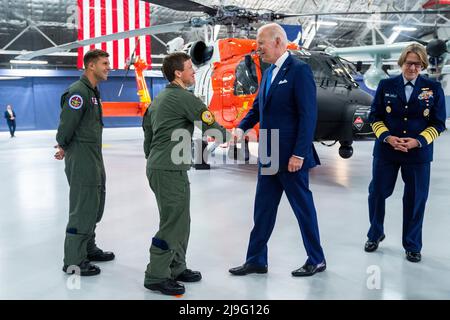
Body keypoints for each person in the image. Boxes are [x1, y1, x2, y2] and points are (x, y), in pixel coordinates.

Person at [229, 23, 326, 277]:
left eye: (261, 43)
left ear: (278, 42)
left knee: (303, 209)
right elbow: (257, 107)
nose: (257, 47)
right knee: (263, 209)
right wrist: (241, 127)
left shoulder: (299, 71)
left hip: (291, 156)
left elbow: (308, 116)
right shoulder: (270, 72)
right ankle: (256, 260)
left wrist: (299, 154)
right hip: (269, 151)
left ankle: (316, 259)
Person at [142, 52, 230, 295]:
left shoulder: (159, 99)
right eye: (190, 68)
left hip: (163, 166)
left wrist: (157, 157)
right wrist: (234, 136)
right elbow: (213, 127)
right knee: (173, 223)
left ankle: (177, 267)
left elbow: (147, 134)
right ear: (178, 73)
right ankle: (156, 275)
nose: (194, 72)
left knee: (181, 221)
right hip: (169, 168)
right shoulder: (183, 98)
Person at [364, 43, 446, 263]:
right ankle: (375, 233)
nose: (413, 68)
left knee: (416, 199)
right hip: (386, 151)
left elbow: (438, 124)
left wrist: (417, 142)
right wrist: (388, 137)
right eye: (410, 63)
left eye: (418, 65)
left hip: (418, 154)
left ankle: (412, 244)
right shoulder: (386, 85)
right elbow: (375, 117)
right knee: (377, 193)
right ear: (402, 63)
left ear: (423, 66)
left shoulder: (433, 88)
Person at [54, 49, 115, 276]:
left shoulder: (93, 91)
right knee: (82, 208)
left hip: (93, 156)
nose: (108, 67)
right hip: (81, 157)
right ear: (91, 66)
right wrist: (62, 145)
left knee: (95, 205)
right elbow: (66, 125)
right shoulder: (78, 92)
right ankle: (73, 260)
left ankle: (87, 248)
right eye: (104, 63)